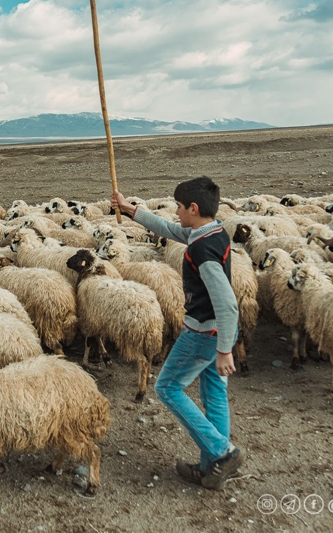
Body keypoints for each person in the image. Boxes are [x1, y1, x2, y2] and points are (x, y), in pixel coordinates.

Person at [111, 176, 245, 491]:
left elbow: (227, 303)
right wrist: (132, 210)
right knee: (213, 394)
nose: (176, 211)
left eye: (179, 206)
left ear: (193, 208)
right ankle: (210, 467)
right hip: (215, 332)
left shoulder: (201, 251)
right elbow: (170, 230)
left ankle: (223, 452)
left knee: (168, 387)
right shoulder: (213, 232)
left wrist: (225, 348)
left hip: (204, 333)